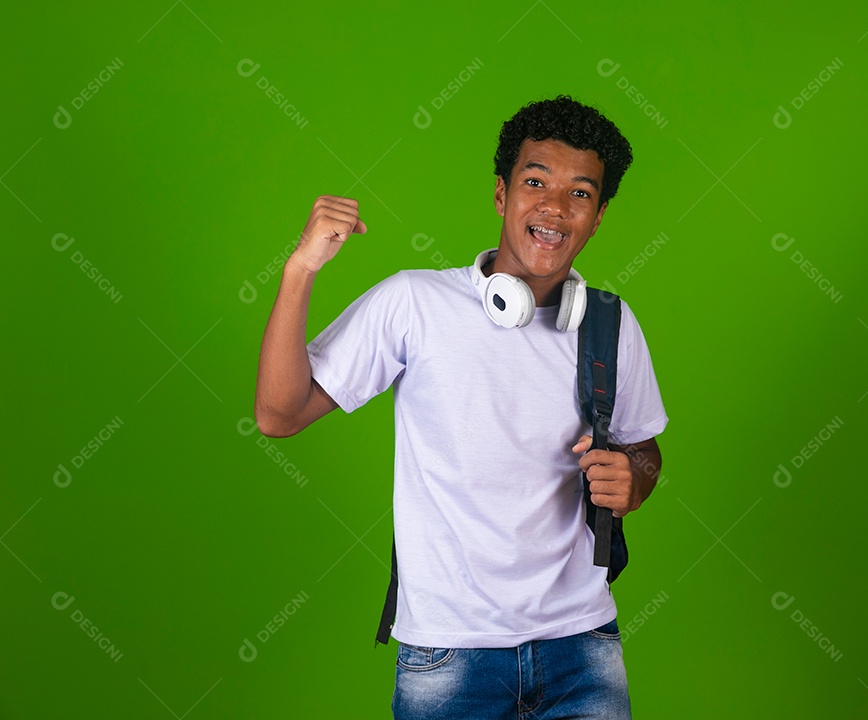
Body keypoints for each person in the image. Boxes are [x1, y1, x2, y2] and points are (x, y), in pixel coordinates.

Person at [254, 95, 667, 719]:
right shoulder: (414, 303)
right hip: (449, 658)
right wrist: (301, 268)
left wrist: (633, 477)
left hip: (582, 646)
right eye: (535, 182)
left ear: (599, 216)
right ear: (501, 195)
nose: (555, 208)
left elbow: (644, 450)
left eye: (580, 194)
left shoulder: (609, 324)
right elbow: (278, 415)